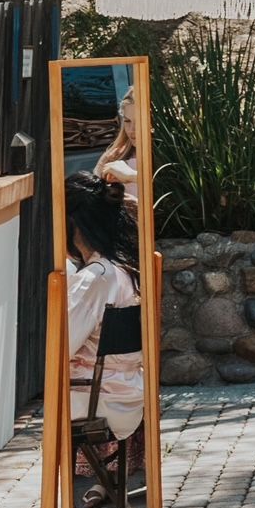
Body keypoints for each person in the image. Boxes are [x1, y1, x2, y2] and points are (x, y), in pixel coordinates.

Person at [64, 172, 146, 444]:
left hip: (95, 400)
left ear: (72, 224)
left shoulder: (95, 279)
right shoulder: (126, 270)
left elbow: (62, 347)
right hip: (130, 394)